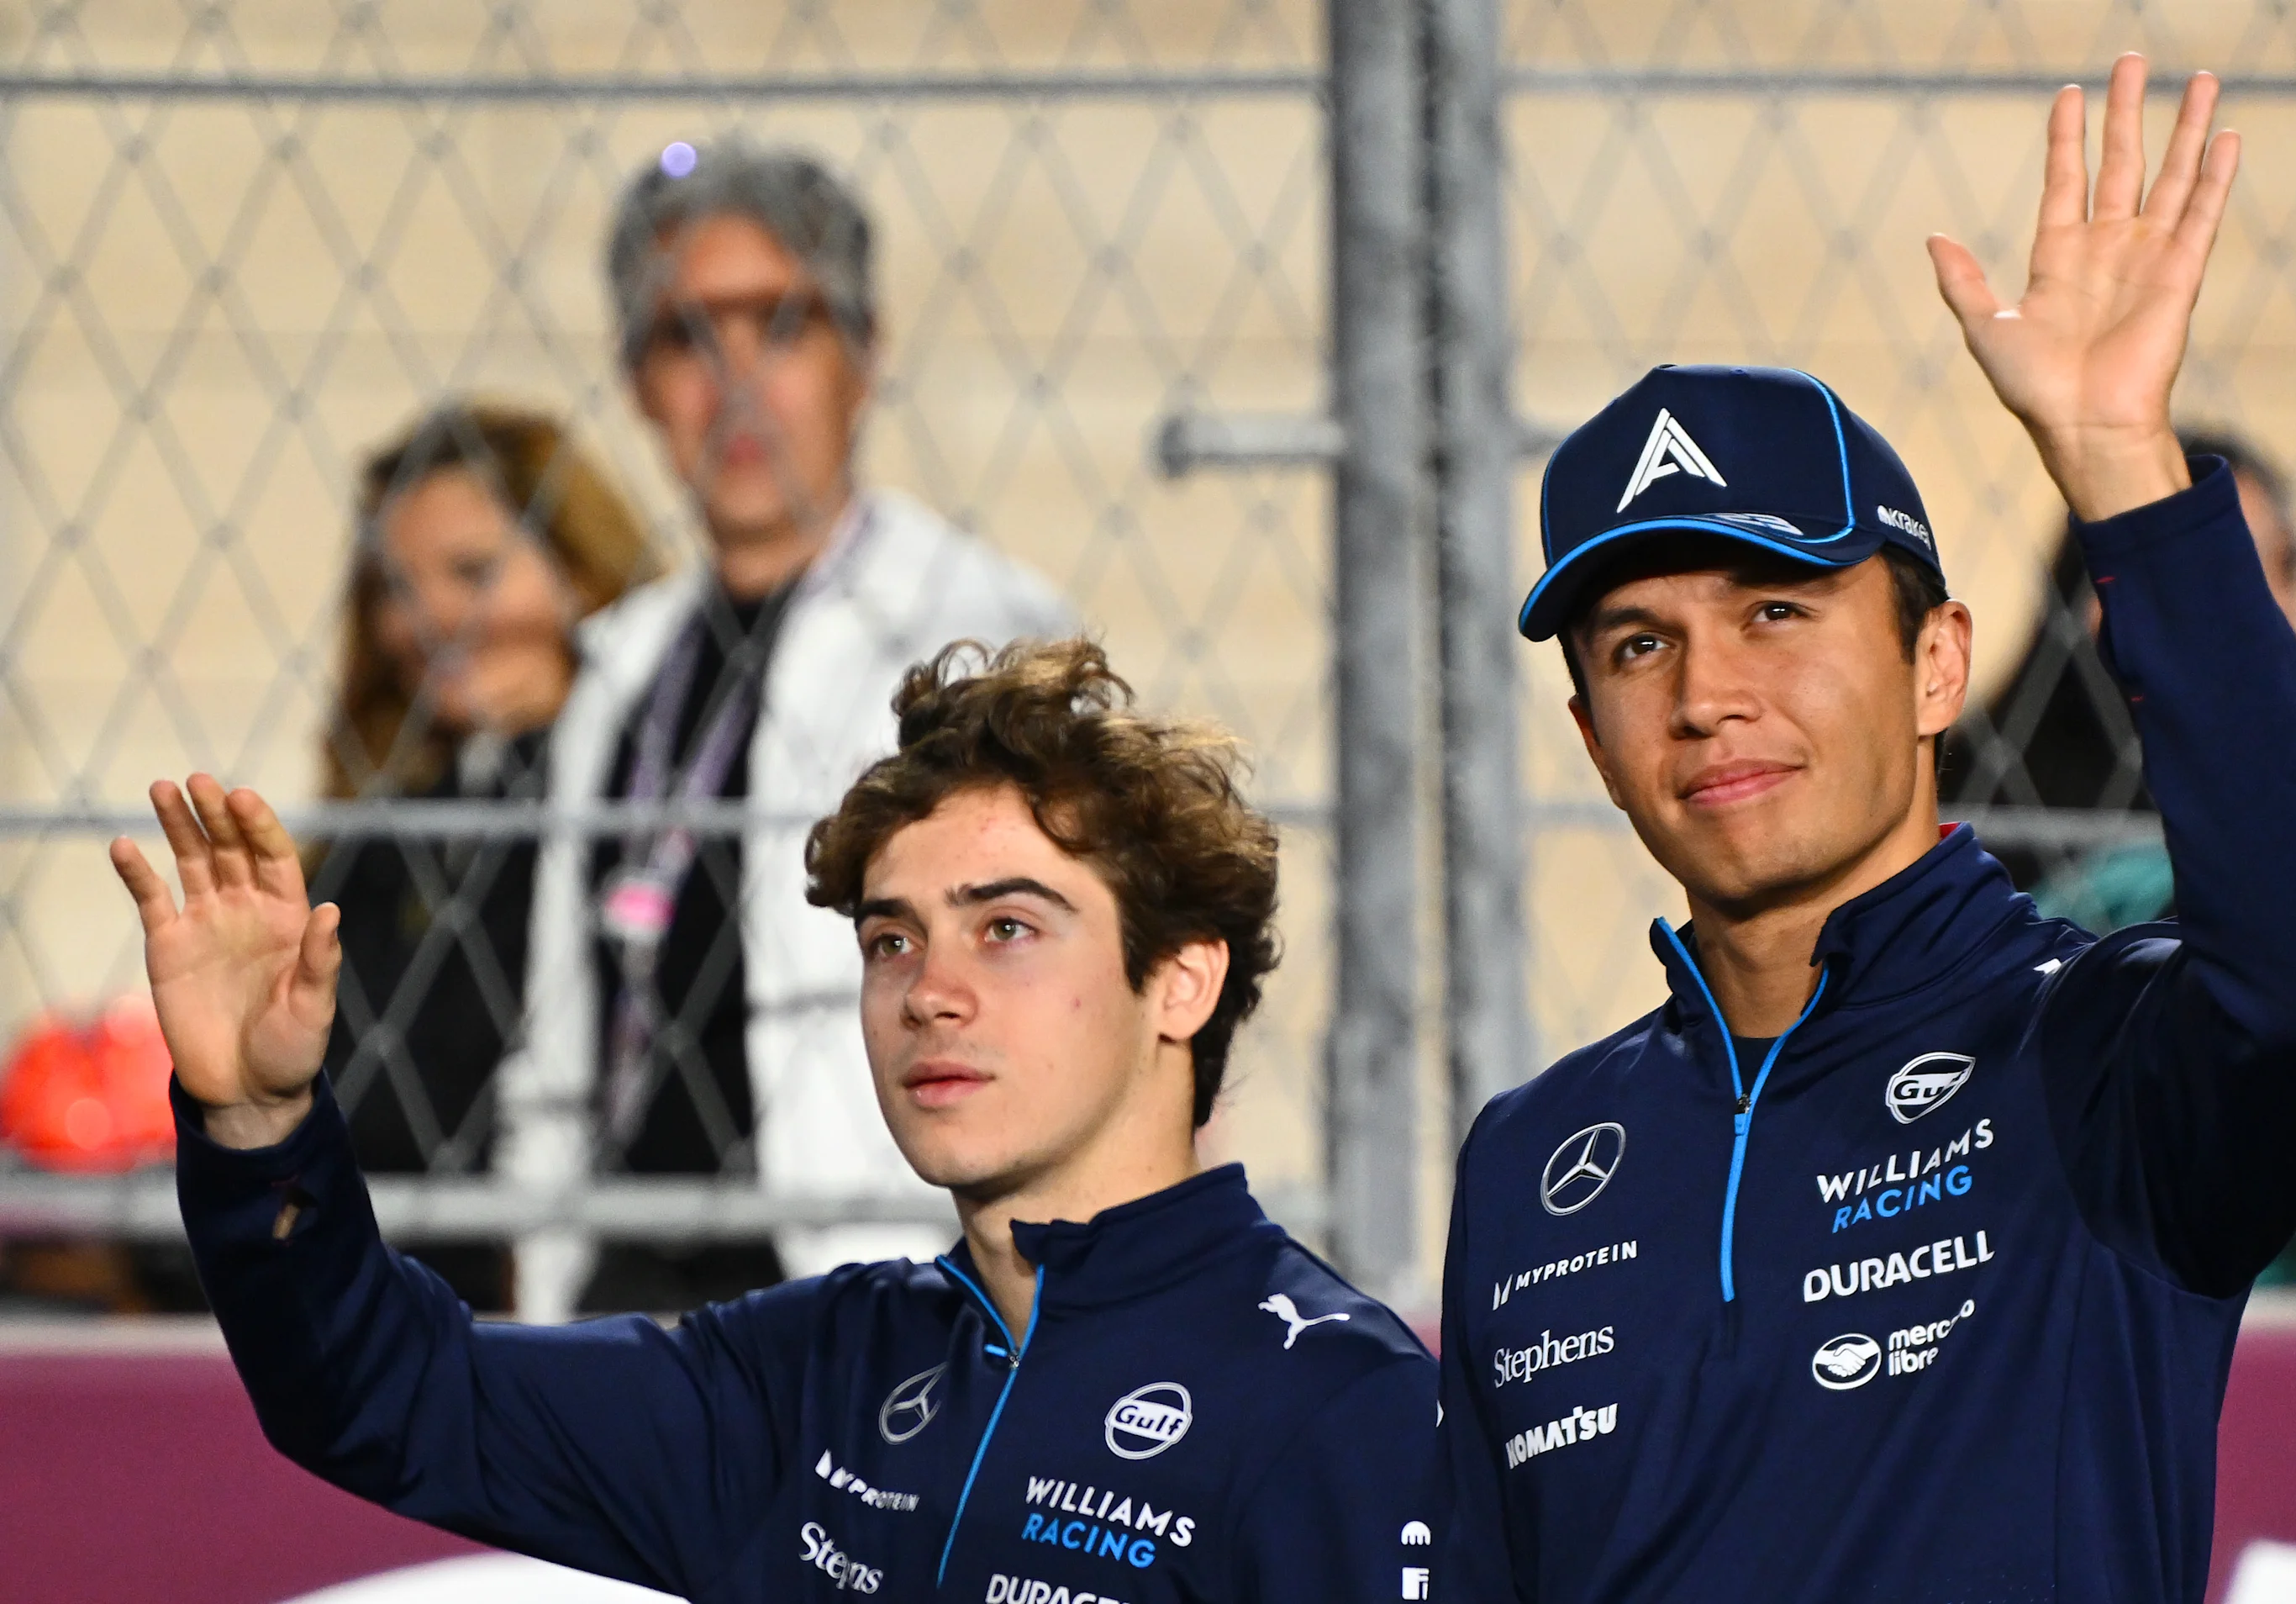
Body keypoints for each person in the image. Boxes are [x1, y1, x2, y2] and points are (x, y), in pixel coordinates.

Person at [1431, 56, 2296, 1604]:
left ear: (1937, 663)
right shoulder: (1529, 1158)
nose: (1706, 695)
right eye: (1638, 646)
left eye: (1776, 611)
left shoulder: (2094, 1059)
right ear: (1588, 741)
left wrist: (2122, 476)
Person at [117, 639, 1435, 1603]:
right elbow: (387, 1398)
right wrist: (258, 1112)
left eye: (1010, 928)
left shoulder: (1340, 1408)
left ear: (1182, 980)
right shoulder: (819, 1373)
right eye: (892, 939)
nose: (933, 992)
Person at [500, 141, 1077, 1318]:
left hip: (873, 1288)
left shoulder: (981, 630)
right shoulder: (622, 667)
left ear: (863, 356)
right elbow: (564, 1026)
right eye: (686, 338)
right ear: (637, 382)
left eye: (780, 324)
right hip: (628, 1291)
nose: (736, 380)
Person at [313, 403, 658, 1311]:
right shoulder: (383, 824)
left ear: (583, 577)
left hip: (530, 1280)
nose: (424, 617)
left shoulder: (643, 814)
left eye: (473, 572)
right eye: (394, 584)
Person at [1941, 424, 2296, 895]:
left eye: (2287, 565)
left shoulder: (2294, 812)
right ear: (2102, 607)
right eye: (2221, 572)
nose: (2276, 607)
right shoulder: (1963, 821)